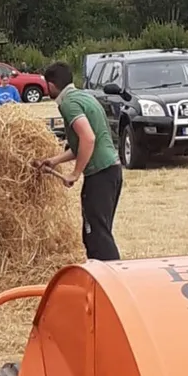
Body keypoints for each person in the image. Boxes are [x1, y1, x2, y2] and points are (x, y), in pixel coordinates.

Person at [35, 61, 122, 261]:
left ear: (51, 85)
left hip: (100, 175)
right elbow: (81, 145)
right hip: (111, 171)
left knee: (97, 237)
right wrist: (55, 160)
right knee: (98, 233)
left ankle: (112, 281)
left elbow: (88, 138)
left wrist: (75, 173)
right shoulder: (83, 97)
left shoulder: (68, 104)